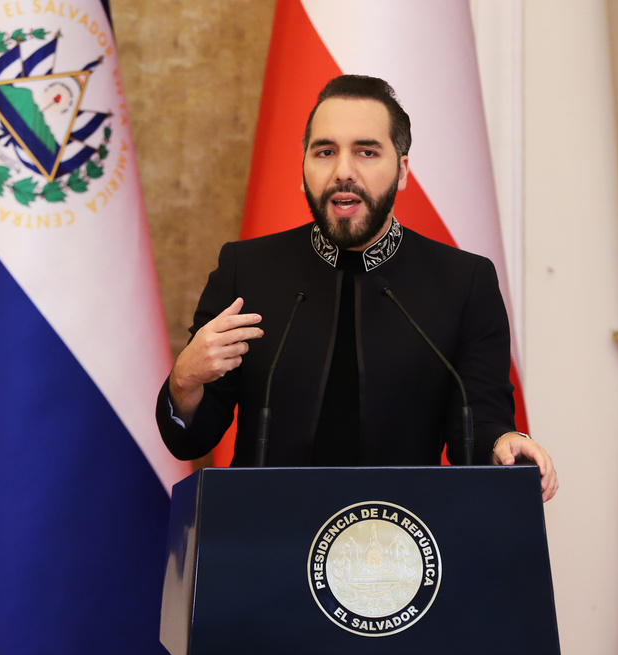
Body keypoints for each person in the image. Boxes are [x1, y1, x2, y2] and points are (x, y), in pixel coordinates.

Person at [156, 75, 558, 502]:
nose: (343, 171)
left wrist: (503, 444)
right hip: (268, 539)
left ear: (402, 171)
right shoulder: (247, 270)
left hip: (404, 541)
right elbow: (191, 440)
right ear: (304, 167)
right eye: (325, 151)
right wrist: (184, 381)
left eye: (366, 152)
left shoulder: (463, 282)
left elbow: (481, 418)